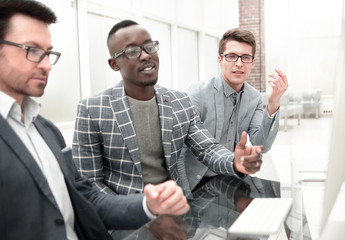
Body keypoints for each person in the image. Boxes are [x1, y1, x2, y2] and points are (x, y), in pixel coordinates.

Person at [0, 1, 189, 239]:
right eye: (32, 50)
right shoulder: (92, 109)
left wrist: (148, 205)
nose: (47, 65)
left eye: (49, 53)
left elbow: (86, 198)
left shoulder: (46, 130)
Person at [72, 20, 264, 199]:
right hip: (125, 224)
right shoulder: (92, 110)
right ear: (114, 64)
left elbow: (207, 149)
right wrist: (139, 211)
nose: (146, 55)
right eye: (132, 51)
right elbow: (88, 183)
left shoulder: (179, 101)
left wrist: (234, 162)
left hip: (178, 213)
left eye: (149, 46)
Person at [181, 28, 288, 191]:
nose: (238, 64)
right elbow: (180, 149)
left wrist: (273, 103)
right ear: (220, 60)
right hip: (196, 182)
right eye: (231, 56)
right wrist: (183, 193)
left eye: (245, 57)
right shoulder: (197, 93)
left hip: (231, 179)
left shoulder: (254, 97)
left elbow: (262, 144)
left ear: (252, 62)